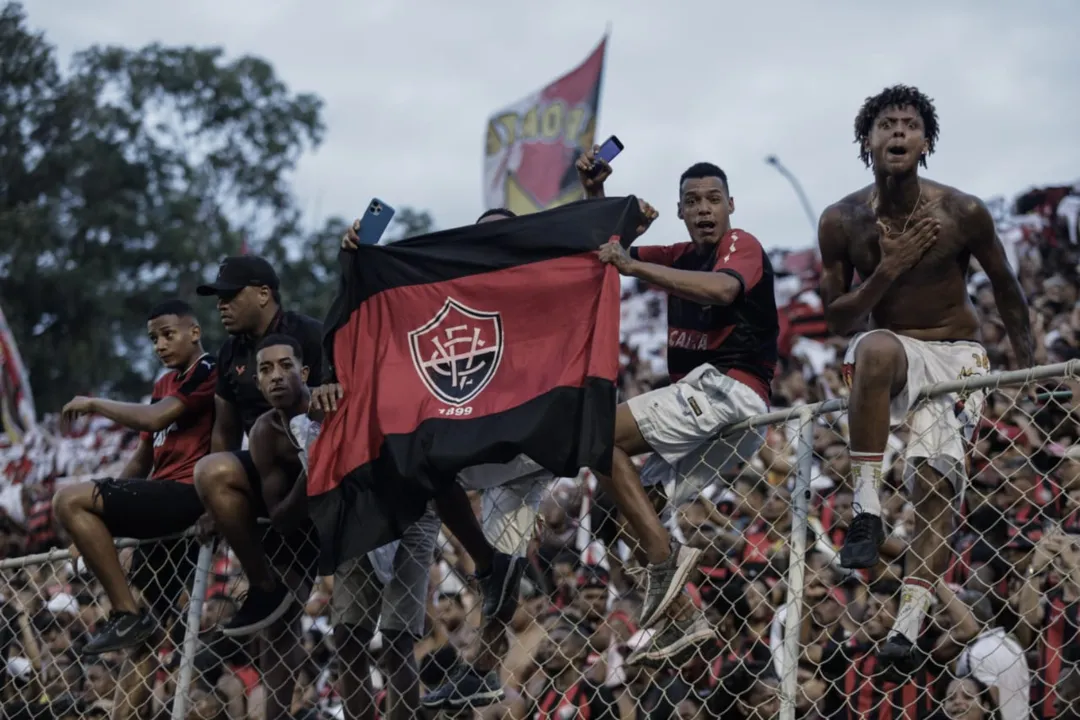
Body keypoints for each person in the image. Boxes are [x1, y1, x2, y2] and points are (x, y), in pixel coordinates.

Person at [816, 85, 1033, 674]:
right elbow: (837, 317)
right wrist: (887, 269)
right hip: (899, 351)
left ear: (926, 142)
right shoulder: (842, 219)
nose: (898, 133)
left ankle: (907, 627)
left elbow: (1007, 288)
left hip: (958, 355)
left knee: (934, 486)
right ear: (867, 141)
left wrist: (1029, 371)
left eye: (909, 125)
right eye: (886, 124)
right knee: (874, 349)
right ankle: (866, 508)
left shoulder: (961, 210)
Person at [325, 209, 545, 710]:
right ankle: (485, 641)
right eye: (481, 232)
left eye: (501, 232)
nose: (490, 241)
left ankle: (486, 636)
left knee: (498, 571)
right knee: (491, 560)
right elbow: (389, 314)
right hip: (478, 441)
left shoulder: (541, 279)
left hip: (530, 442)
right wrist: (357, 266)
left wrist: (597, 198)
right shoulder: (451, 287)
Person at [579, 148, 779, 663]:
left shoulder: (742, 244)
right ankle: (681, 617)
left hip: (730, 393)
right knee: (625, 513)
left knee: (597, 435)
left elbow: (720, 290)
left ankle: (668, 564)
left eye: (714, 199)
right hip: (712, 410)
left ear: (731, 205)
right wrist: (595, 192)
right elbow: (610, 253)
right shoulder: (678, 255)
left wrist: (634, 266)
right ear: (680, 211)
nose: (705, 209)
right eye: (693, 202)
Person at [247, 333, 440, 720]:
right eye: (266, 369)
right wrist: (317, 464)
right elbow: (283, 518)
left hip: (405, 507)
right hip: (353, 521)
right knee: (349, 638)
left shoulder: (333, 402)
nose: (277, 377)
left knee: (397, 639)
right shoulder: (266, 432)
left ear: (304, 373)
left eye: (286, 366)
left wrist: (326, 446)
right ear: (257, 383)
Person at [53, 299, 215, 719]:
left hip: (185, 496)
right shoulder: (163, 382)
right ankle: (125, 705)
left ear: (194, 332)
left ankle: (123, 611)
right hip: (159, 503)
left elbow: (154, 420)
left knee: (67, 498)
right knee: (147, 635)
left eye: (168, 334)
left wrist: (95, 403)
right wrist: (97, 525)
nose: (160, 345)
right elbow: (142, 459)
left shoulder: (206, 371)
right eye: (153, 339)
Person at [192, 255, 323, 720]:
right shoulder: (230, 352)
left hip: (321, 468)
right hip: (265, 471)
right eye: (218, 299)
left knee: (353, 631)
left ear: (263, 293)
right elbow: (224, 431)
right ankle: (263, 586)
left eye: (230, 296)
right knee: (276, 622)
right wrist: (213, 501)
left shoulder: (310, 334)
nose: (222, 307)